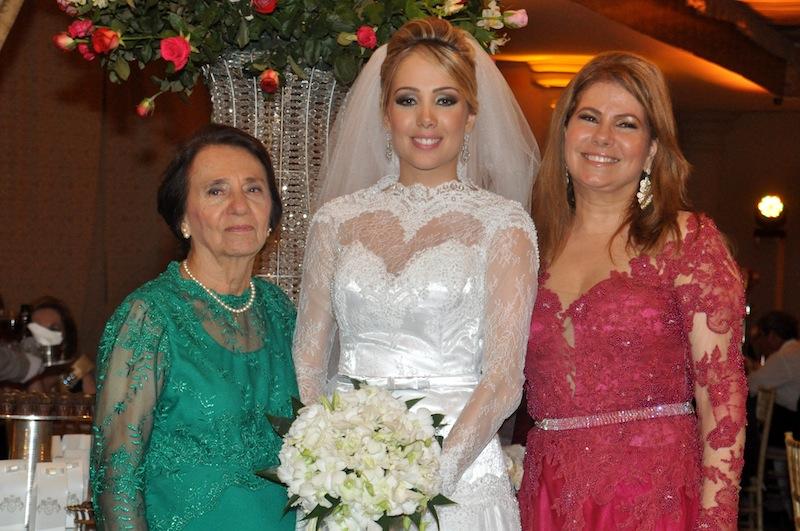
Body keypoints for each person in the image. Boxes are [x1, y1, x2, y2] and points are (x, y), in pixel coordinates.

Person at [292, 17, 539, 530]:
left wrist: (426, 480)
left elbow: (503, 379)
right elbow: (309, 358)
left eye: (445, 100)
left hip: (459, 480)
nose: (426, 119)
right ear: (386, 114)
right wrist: (332, 458)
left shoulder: (503, 225)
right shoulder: (335, 222)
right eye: (408, 100)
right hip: (348, 480)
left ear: (471, 115)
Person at [518, 52, 746, 530]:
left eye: (626, 124)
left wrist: (716, 521)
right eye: (589, 117)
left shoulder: (687, 241)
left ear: (653, 149)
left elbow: (721, 401)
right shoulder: (528, 247)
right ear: (564, 131)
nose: (603, 137)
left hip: (653, 502)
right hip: (547, 499)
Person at [90, 125, 298, 530]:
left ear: (272, 214)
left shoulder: (280, 312)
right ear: (183, 217)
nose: (239, 206)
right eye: (216, 191)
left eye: (253, 189)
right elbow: (115, 478)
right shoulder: (149, 316)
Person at [748, 311, 800, 443]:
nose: (760, 343)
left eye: (761, 337)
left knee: (746, 405)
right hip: (794, 421)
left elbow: (751, 385)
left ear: (771, 335)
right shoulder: (795, 350)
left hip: (792, 428)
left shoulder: (784, 357)